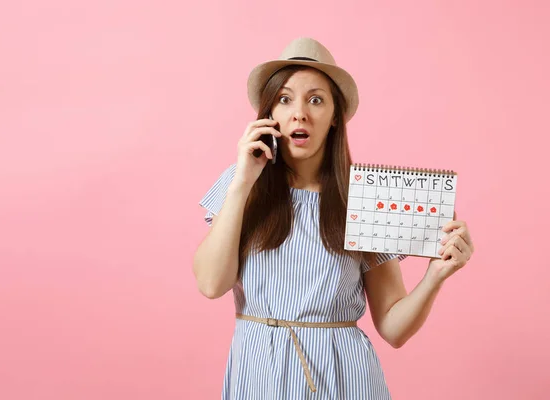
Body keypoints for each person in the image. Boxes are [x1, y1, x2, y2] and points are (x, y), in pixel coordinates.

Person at [193, 37, 475, 399]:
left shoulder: (364, 199)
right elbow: (211, 284)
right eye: (284, 98)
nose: (299, 113)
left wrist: (436, 274)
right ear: (269, 114)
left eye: (315, 99)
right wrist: (243, 181)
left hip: (345, 381)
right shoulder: (241, 186)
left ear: (335, 119)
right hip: (258, 376)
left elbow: (393, 328)